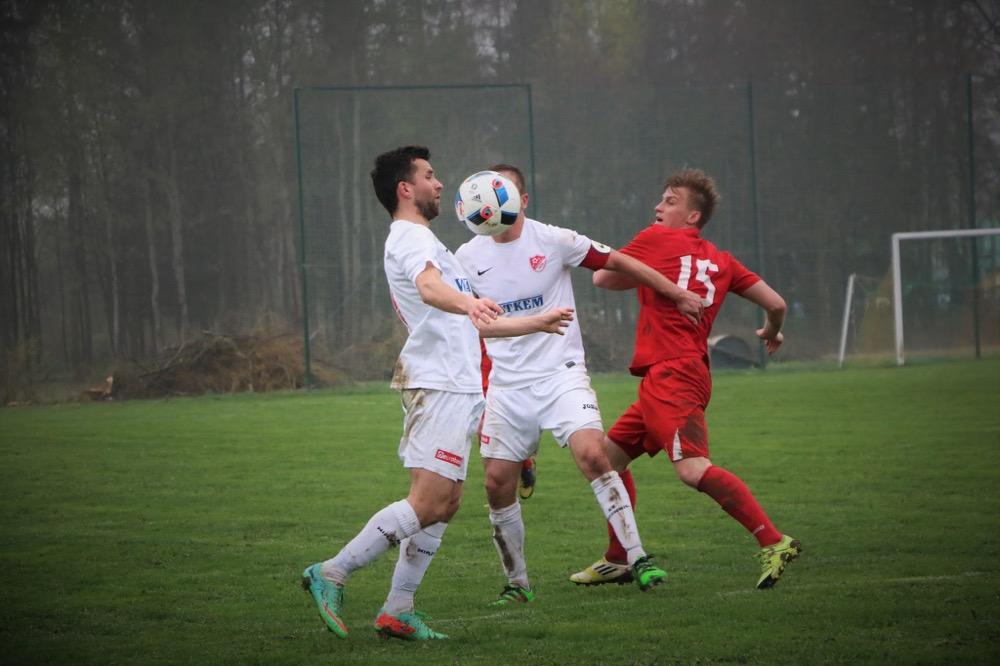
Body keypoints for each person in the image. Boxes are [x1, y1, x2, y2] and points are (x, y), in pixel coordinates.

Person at [301, 146, 574, 642]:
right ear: (406, 189)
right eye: (430, 176)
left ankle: (398, 609)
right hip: (438, 384)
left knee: (446, 503)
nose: (440, 184)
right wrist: (470, 301)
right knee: (428, 501)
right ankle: (333, 571)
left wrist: (536, 321)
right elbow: (430, 291)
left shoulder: (430, 242)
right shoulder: (409, 239)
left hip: (458, 384)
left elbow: (474, 323)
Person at [455, 164, 706, 606]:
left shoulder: (554, 239)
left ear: (522, 200)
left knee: (592, 453)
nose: (494, 204)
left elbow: (619, 261)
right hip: (508, 387)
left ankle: (638, 557)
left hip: (560, 374)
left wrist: (675, 292)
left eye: (506, 192)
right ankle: (517, 584)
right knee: (496, 482)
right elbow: (470, 322)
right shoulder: (467, 258)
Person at [569, 168, 801, 591]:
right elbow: (777, 303)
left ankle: (774, 540)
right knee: (607, 459)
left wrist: (642, 271)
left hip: (672, 375)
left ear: (692, 216)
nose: (658, 207)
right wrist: (771, 330)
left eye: (670, 201)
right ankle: (619, 557)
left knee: (693, 470)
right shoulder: (723, 261)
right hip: (684, 372)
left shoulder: (656, 239)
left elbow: (603, 277)